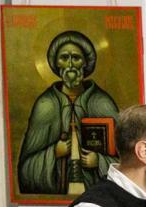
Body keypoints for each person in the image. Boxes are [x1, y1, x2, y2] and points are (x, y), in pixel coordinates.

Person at [19, 30, 120, 195]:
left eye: (76, 58)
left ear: (85, 63)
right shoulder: (46, 105)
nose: (70, 64)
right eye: (64, 58)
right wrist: (54, 152)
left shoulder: (102, 103)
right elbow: (25, 171)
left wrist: (100, 161)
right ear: (57, 64)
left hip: (98, 199)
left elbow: (127, 161)